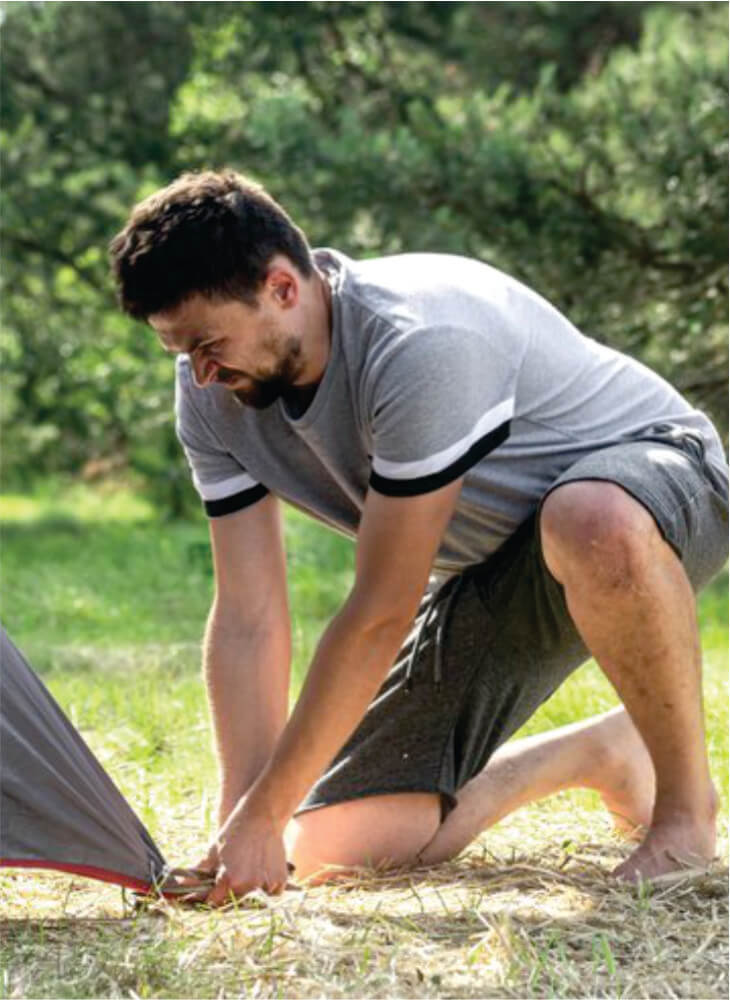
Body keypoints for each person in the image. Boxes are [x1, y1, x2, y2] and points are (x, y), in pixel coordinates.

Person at [110, 170, 728, 905]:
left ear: (282, 287)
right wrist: (245, 822)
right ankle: (597, 752)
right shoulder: (213, 394)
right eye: (181, 351)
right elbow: (247, 614)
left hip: (656, 493)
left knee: (589, 519)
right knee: (331, 847)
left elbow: (379, 611)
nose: (201, 373)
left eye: (208, 342)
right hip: (498, 566)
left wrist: (265, 812)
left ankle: (686, 816)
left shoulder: (417, 344)